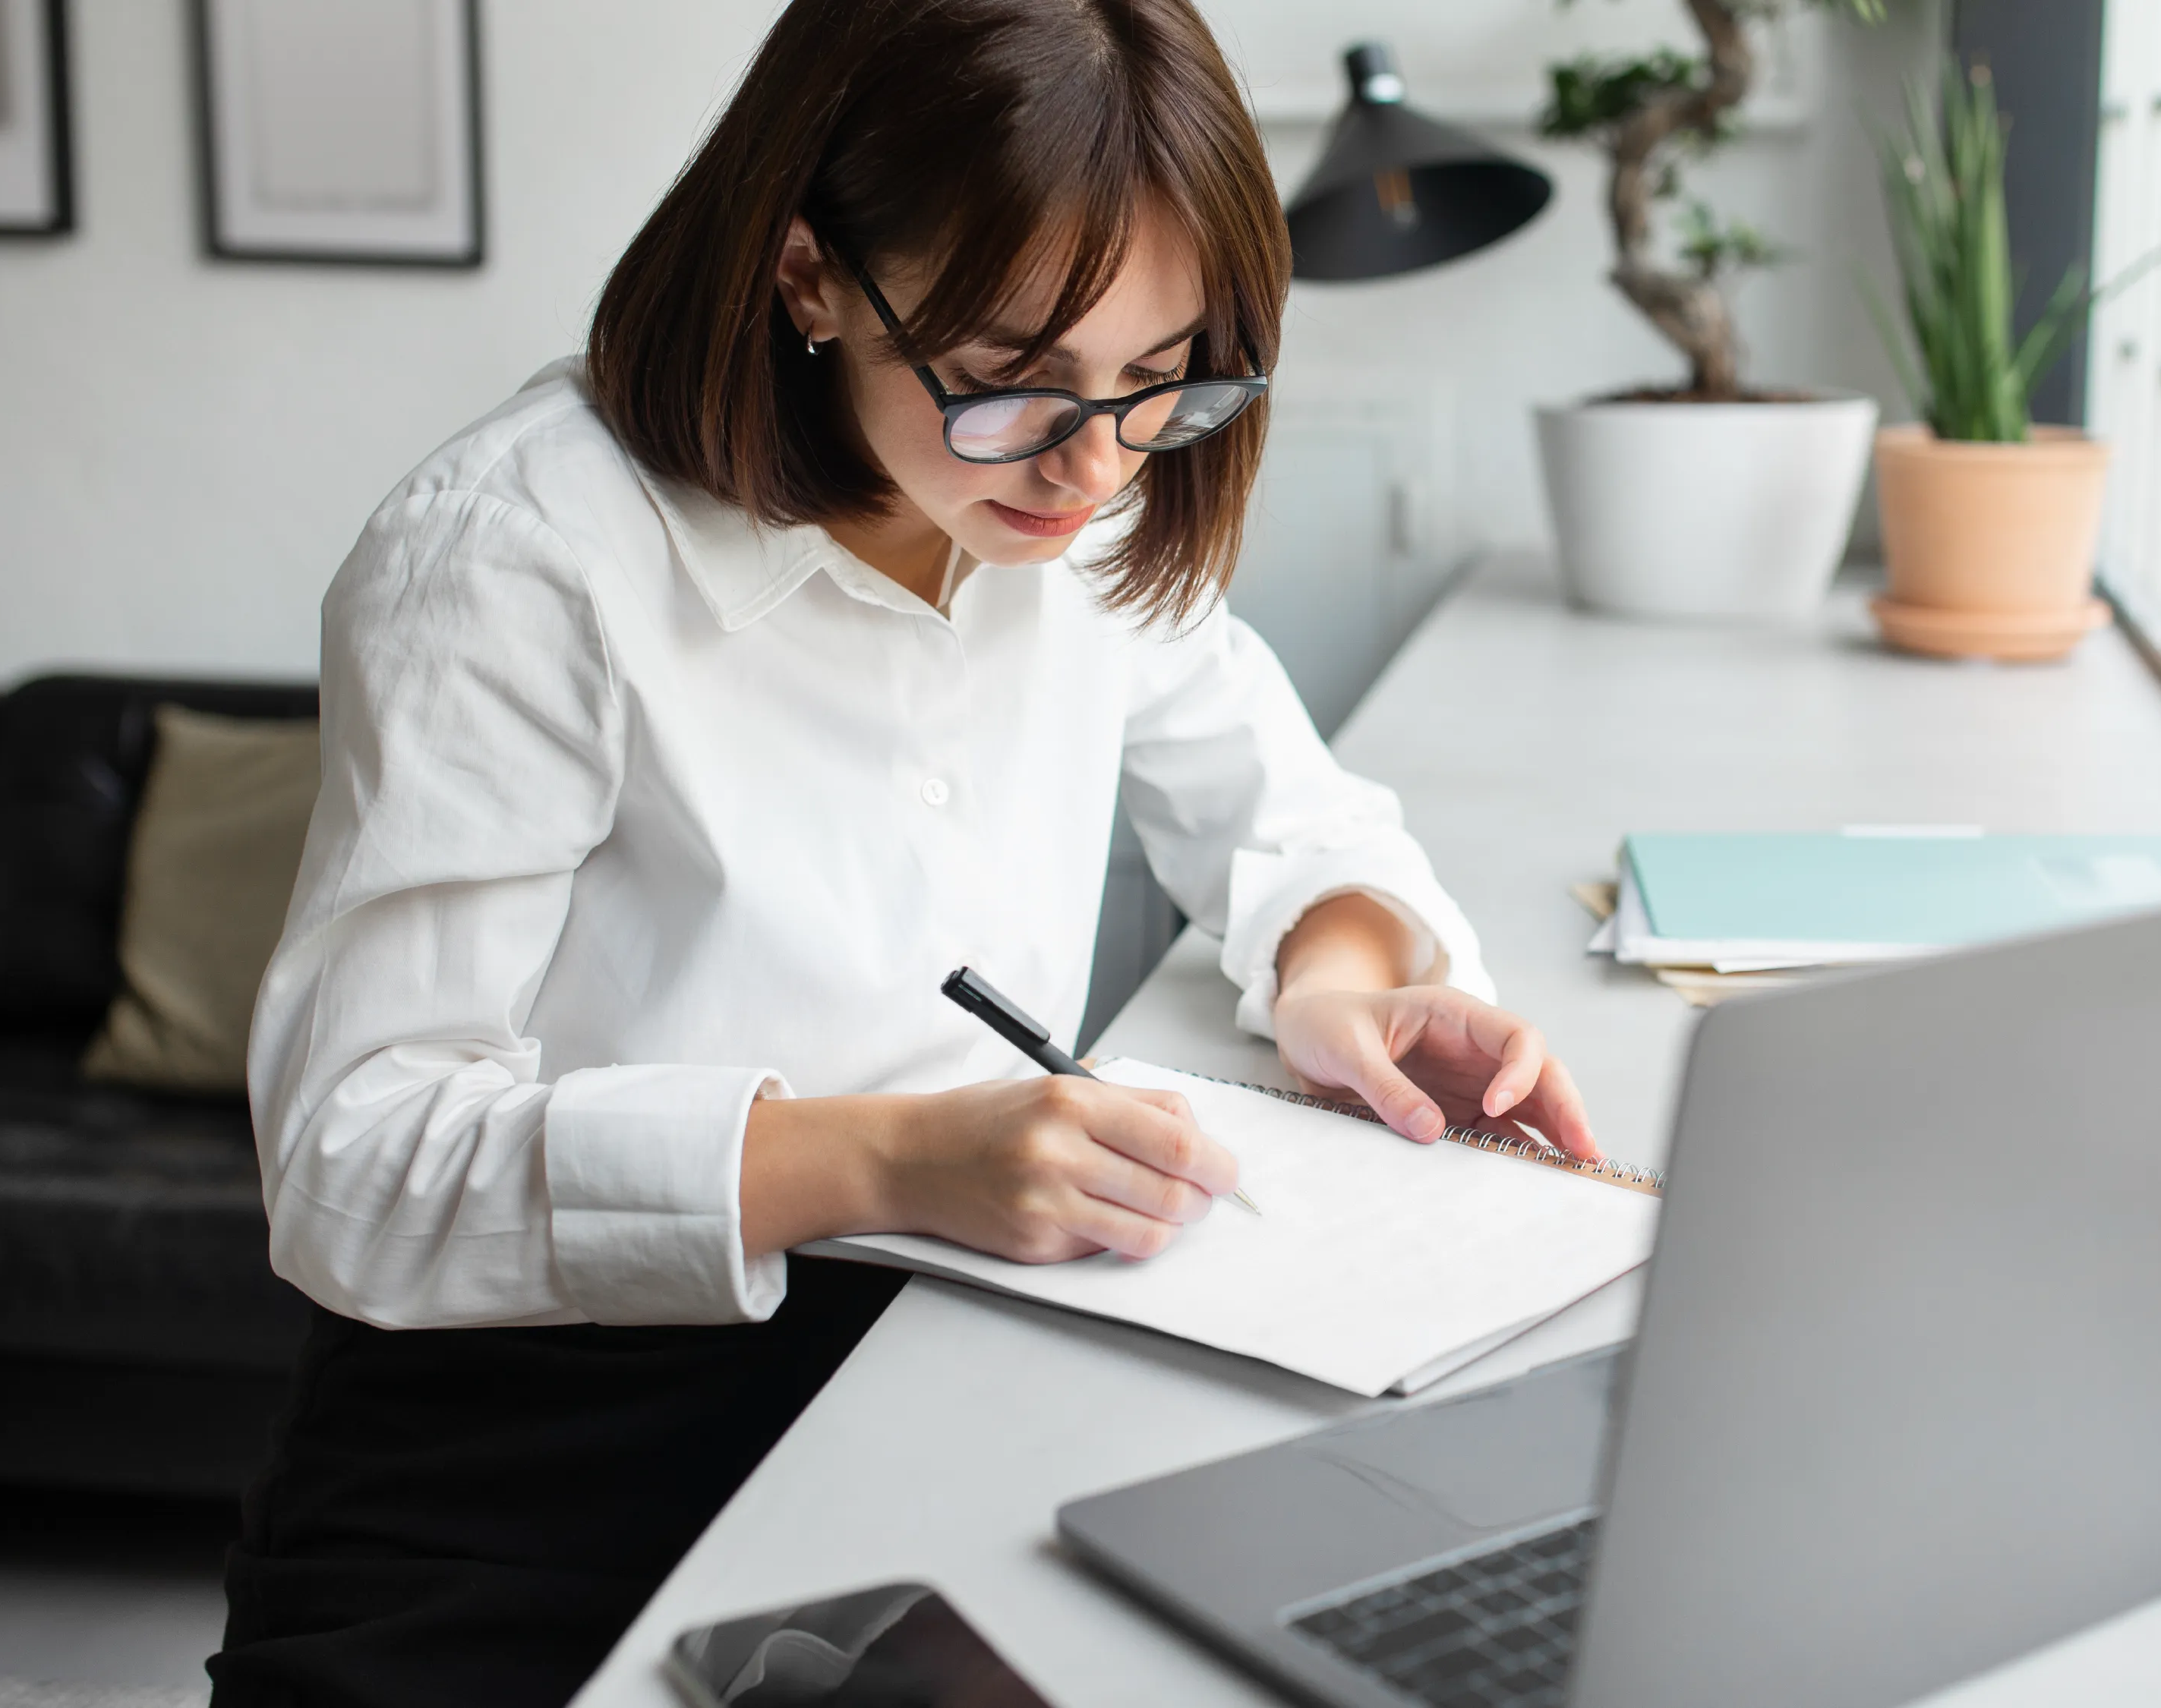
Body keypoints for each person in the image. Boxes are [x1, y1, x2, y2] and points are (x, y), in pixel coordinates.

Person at [207, 2, 1595, 1702]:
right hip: (525, 1464)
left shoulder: (1058, 522)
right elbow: (361, 1162)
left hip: (923, 1387)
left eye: (1160, 383)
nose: (1093, 466)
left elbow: (1293, 819)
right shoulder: (520, 560)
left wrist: (1342, 980)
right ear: (805, 275)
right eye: (1011, 380)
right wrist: (884, 1160)